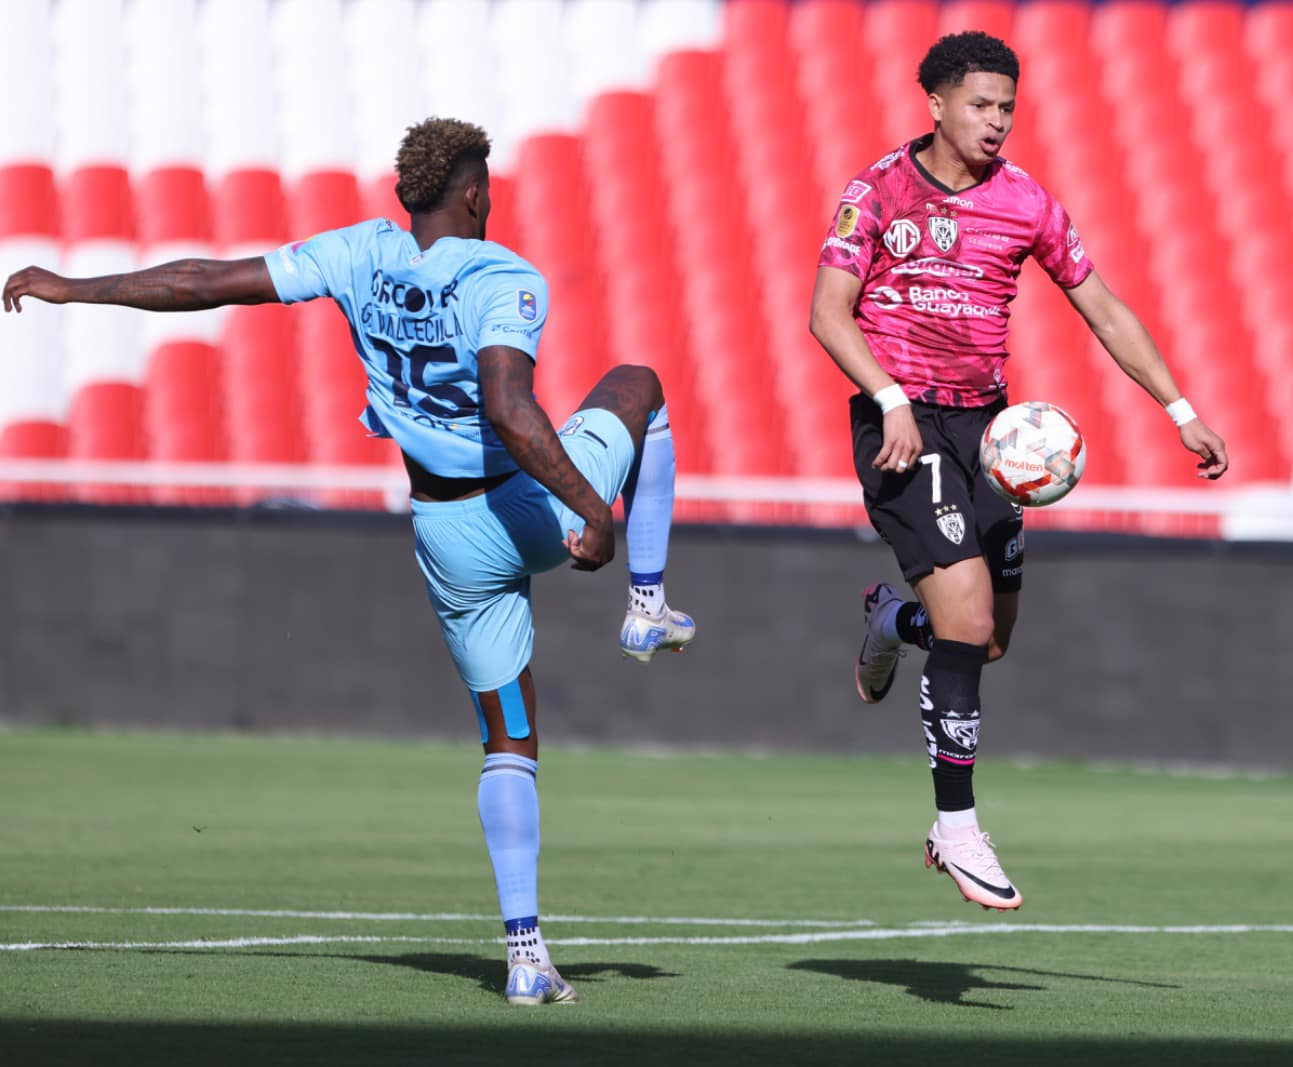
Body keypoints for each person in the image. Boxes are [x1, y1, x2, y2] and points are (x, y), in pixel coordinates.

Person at [3, 117, 695, 1003]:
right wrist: (594, 512)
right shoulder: (501, 274)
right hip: (524, 506)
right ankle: (646, 598)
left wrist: (72, 287)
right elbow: (512, 408)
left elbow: (201, 280)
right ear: (477, 193)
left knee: (508, 741)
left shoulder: (358, 253)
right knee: (639, 384)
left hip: (444, 535)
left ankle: (526, 958)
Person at [809, 33, 1228, 911]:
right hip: (903, 421)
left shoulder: (1028, 202)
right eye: (981, 105)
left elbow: (1103, 309)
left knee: (985, 640)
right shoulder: (877, 191)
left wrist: (1181, 410)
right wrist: (885, 396)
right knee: (963, 620)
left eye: (1007, 107)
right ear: (935, 103)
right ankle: (955, 827)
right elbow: (827, 313)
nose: (997, 121)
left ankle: (891, 620)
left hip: (990, 432)